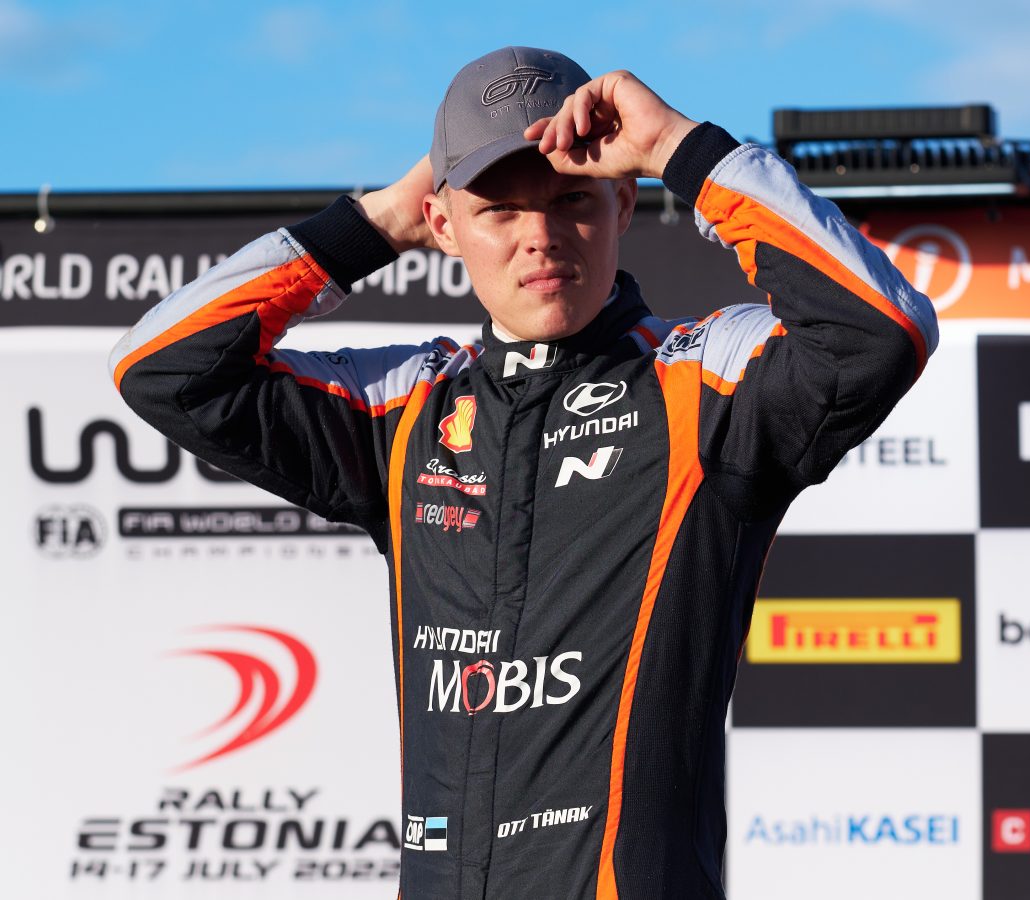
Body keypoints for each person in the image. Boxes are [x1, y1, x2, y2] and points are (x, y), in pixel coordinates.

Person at [109, 46, 937, 899]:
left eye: (572, 198)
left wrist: (677, 149)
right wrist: (375, 223)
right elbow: (162, 368)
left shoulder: (704, 386)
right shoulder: (405, 410)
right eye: (498, 210)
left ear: (622, 202)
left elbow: (880, 330)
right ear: (442, 228)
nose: (539, 237)